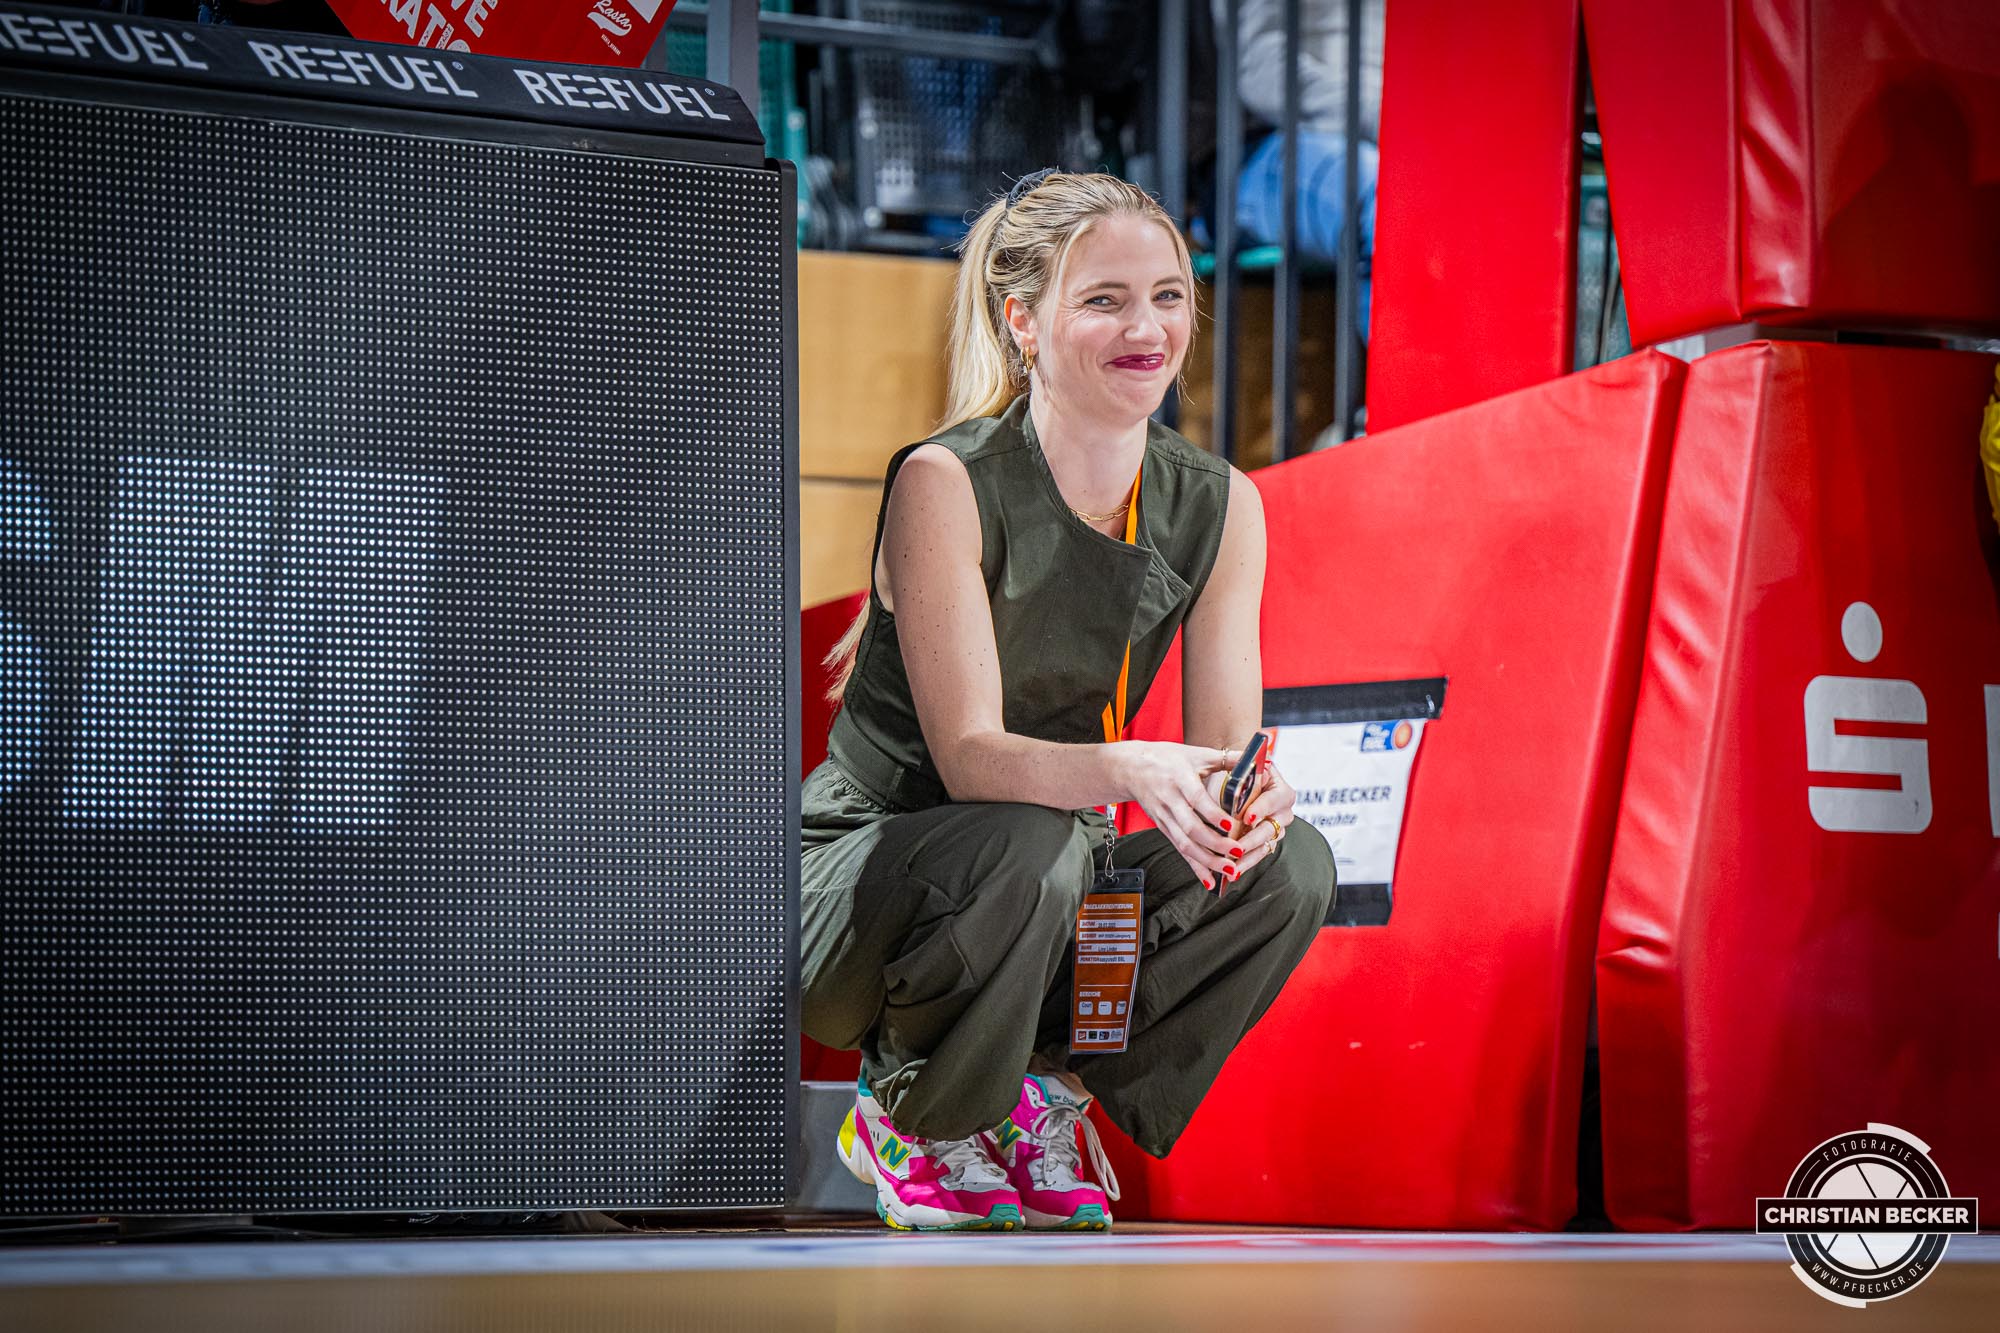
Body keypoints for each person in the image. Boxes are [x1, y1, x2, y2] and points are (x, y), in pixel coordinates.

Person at [802, 169, 1336, 1232]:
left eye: (1168, 295)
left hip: (1052, 879)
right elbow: (970, 760)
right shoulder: (943, 479)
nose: (1147, 328)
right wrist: (1132, 766)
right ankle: (910, 1110)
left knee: (1287, 866)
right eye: (1104, 300)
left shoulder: (1225, 503)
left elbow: (1227, 752)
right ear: (1022, 322)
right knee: (1030, 843)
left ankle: (1036, 1087)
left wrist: (1248, 801)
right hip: (870, 887)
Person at [1222, 0, 1386, 339]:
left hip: (1388, 140)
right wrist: (1390, 113)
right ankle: (1407, 372)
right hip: (1262, 149)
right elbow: (1258, 69)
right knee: (1392, 199)